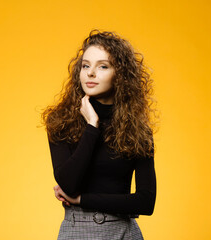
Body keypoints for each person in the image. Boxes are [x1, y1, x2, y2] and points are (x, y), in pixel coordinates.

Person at [42, 29, 157, 240]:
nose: (91, 73)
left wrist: (82, 200)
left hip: (124, 231)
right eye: (86, 65)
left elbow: (146, 202)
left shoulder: (138, 130)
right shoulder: (60, 122)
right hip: (77, 231)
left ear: (120, 75)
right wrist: (92, 127)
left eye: (102, 66)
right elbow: (68, 183)